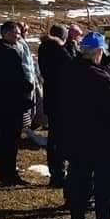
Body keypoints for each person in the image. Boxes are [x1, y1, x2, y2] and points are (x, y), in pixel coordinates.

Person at [60, 32, 110, 219]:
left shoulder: (68, 72)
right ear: (98, 52)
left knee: (79, 191)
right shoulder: (99, 77)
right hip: (100, 143)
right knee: (102, 192)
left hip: (75, 141)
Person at [0, 21, 33, 185]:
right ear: (5, 33)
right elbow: (14, 79)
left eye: (19, 33)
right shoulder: (7, 52)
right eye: (14, 33)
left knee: (7, 139)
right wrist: (27, 87)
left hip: (3, 101)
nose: (18, 36)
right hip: (10, 102)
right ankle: (9, 174)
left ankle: (5, 171)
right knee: (10, 139)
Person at [38, 24, 74, 188]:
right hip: (62, 98)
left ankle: (56, 172)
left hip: (51, 96)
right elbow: (72, 66)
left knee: (54, 137)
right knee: (60, 138)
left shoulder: (43, 48)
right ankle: (59, 173)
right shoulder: (58, 50)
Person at [16, 22, 37, 131]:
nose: (28, 33)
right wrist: (29, 80)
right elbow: (25, 64)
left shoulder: (22, 42)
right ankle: (24, 127)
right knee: (26, 105)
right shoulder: (20, 44)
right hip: (26, 79)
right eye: (26, 30)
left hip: (29, 77)